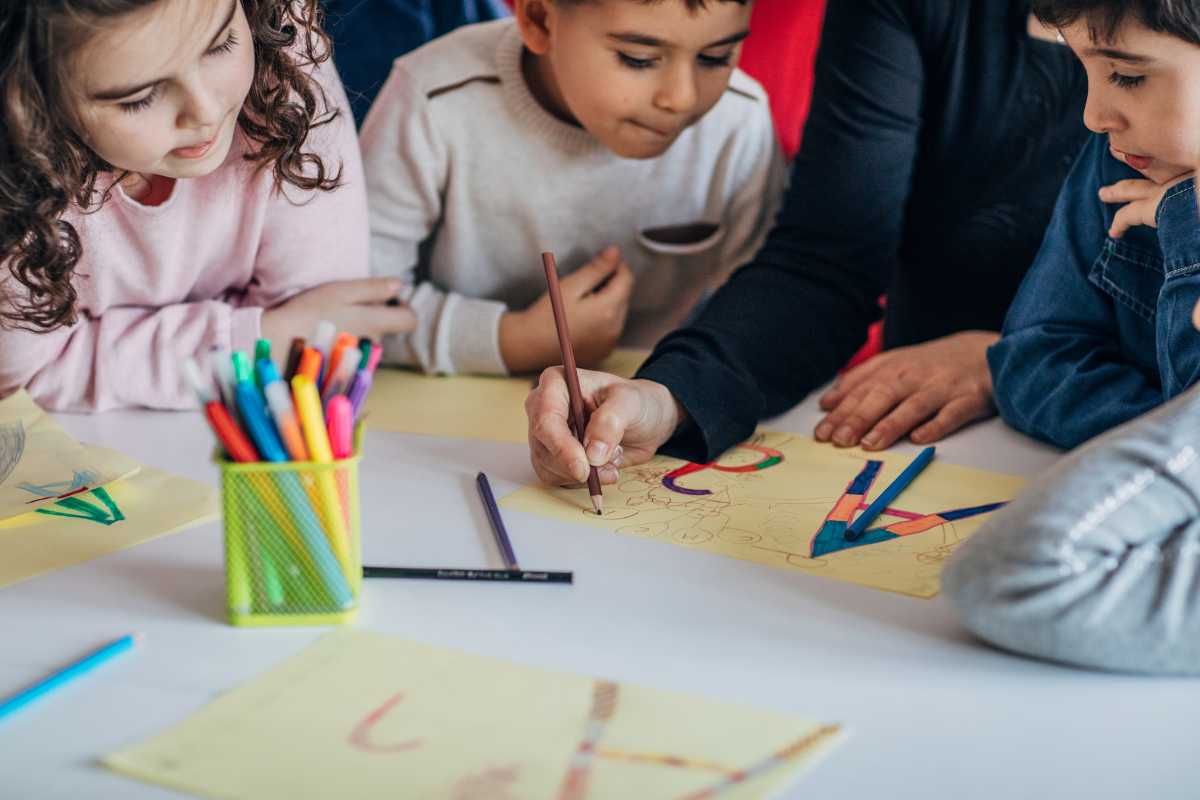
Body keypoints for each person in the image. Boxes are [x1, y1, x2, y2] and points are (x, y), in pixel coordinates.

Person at [525, 0, 1090, 487]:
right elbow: (826, 263)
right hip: (920, 447)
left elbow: (1178, 325)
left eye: (1131, 76)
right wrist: (666, 397)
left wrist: (1016, 358)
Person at [0, 0, 414, 411]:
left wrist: (106, 347)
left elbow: (323, 332)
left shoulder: (280, 48)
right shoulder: (13, 168)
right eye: (139, 98)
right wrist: (253, 336)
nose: (207, 111)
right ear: (29, 107)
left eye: (220, 46)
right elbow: (21, 374)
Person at [360, 0, 785, 375]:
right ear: (540, 19)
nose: (681, 98)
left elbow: (764, 311)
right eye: (638, 58)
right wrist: (512, 341)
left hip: (653, 412)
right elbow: (356, 307)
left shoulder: (739, 121)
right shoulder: (432, 98)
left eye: (715, 57)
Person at [987, 0, 1200, 449]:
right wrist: (1161, 443)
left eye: (1127, 75)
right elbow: (1031, 361)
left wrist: (1186, 218)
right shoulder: (1118, 161)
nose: (1093, 117)